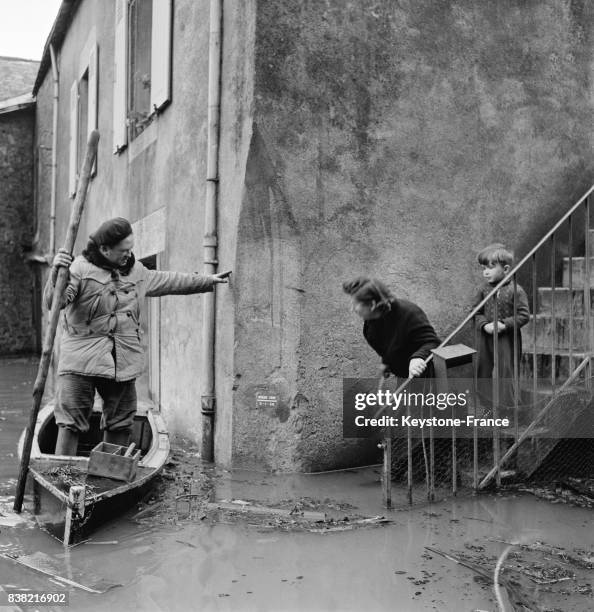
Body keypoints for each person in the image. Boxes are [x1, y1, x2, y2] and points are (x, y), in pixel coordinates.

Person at [45, 217, 231, 456]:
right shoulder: (79, 269)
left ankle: (111, 474)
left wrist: (207, 281)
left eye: (130, 249)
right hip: (80, 361)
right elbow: (55, 302)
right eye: (123, 250)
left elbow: (170, 281)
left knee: (121, 420)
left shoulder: (136, 272)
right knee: (71, 420)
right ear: (104, 249)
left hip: (122, 360)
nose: (128, 255)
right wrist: (56, 273)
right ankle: (63, 475)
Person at [343, 277, 440, 380]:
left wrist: (418, 357)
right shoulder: (371, 323)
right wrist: (386, 363)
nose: (352, 309)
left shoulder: (409, 313)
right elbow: (389, 347)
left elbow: (433, 342)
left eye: (356, 304)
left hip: (427, 377)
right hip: (405, 377)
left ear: (372, 304)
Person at [473, 243, 530, 412]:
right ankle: (487, 407)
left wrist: (504, 324)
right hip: (486, 337)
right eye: (483, 268)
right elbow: (475, 312)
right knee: (483, 370)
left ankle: (508, 409)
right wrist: (484, 325)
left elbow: (524, 315)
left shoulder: (516, 290)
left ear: (505, 269)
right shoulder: (483, 290)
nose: (486, 271)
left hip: (507, 338)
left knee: (507, 372)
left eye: (490, 267)